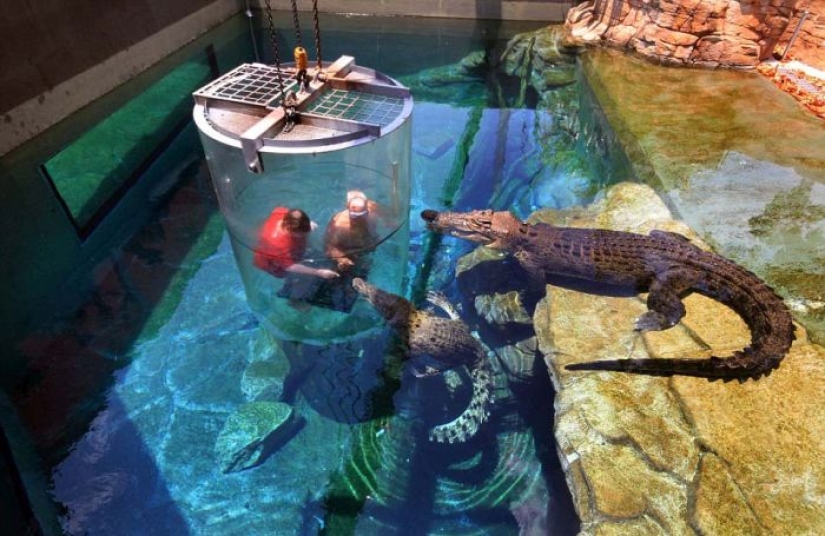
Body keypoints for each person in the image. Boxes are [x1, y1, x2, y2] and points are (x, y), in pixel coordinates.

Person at [254, 207, 338, 282]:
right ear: (288, 229)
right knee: (287, 275)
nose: (305, 234)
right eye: (302, 233)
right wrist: (318, 272)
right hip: (270, 262)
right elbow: (290, 267)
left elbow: (280, 211)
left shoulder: (283, 214)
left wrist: (307, 223)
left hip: (285, 247)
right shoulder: (277, 244)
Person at [324, 191, 381, 273]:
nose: (357, 219)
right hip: (348, 250)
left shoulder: (373, 214)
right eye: (354, 216)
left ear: (367, 211)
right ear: (348, 211)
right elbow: (329, 247)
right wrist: (341, 258)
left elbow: (389, 216)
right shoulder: (340, 226)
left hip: (367, 244)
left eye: (362, 215)